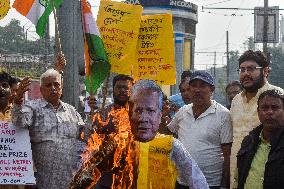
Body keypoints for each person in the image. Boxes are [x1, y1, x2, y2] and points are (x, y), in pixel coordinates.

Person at [70, 79, 209, 189]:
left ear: (160, 115)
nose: (143, 118)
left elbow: (197, 180)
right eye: (138, 110)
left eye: (150, 111)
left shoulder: (172, 145)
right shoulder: (116, 143)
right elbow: (86, 175)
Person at [11, 68, 86, 189]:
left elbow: (84, 136)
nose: (53, 88)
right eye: (48, 85)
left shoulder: (71, 111)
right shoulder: (33, 107)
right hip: (42, 182)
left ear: (61, 87)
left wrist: (94, 115)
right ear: (41, 89)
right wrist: (17, 100)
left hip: (70, 182)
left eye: (56, 84)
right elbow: (18, 121)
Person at [167, 71, 233, 189]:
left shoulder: (223, 114)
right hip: (183, 181)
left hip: (211, 184)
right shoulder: (183, 111)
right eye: (193, 86)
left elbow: (227, 155)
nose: (197, 90)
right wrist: (160, 116)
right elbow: (168, 135)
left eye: (202, 85)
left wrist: (224, 185)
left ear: (212, 89)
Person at [230, 50, 283, 185]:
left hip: (270, 171)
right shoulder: (236, 100)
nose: (246, 73)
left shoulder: (278, 97)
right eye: (242, 69)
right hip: (237, 173)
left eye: (251, 69)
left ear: (265, 71)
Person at [233, 89, 284, 189]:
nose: (269, 112)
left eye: (275, 107)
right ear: (258, 111)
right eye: (264, 108)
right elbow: (238, 178)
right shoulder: (248, 141)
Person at [93, 74, 134, 189]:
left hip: (131, 179)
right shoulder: (102, 115)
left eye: (126, 88)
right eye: (119, 87)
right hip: (106, 180)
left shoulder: (138, 115)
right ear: (113, 89)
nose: (122, 90)